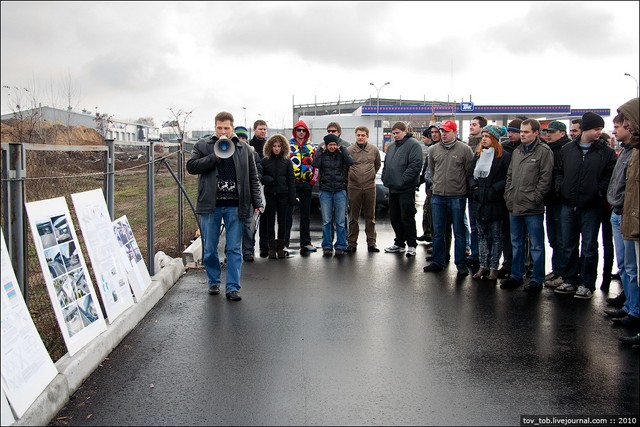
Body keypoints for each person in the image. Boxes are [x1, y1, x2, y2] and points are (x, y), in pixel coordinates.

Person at [186, 111, 262, 301]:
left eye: (226, 128)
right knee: (210, 248)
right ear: (215, 127)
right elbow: (191, 166)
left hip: (235, 206)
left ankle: (232, 287)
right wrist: (214, 157)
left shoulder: (244, 149)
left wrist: (258, 202)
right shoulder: (203, 145)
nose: (222, 131)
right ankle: (213, 282)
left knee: (234, 249)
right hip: (211, 206)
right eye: (219, 127)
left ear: (232, 128)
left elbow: (253, 177)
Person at [553, 112, 617, 300]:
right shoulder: (567, 149)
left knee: (589, 247)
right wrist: (560, 188)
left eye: (601, 129)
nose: (600, 132)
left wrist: (598, 192)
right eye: (597, 129)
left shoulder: (606, 152)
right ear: (586, 129)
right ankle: (570, 279)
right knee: (568, 245)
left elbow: (609, 176)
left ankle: (587, 283)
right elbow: (558, 171)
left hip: (591, 206)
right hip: (568, 204)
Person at [501, 119, 553, 292]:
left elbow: (545, 179)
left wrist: (536, 197)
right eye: (521, 132)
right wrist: (508, 195)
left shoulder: (544, 151)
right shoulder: (517, 151)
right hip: (514, 204)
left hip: (532, 207)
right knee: (516, 242)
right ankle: (516, 275)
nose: (522, 134)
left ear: (536, 133)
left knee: (536, 245)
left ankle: (537, 279)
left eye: (526, 132)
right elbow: (510, 176)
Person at [423, 120, 474, 276]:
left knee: (458, 231)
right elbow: (432, 168)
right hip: (438, 195)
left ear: (454, 132)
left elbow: (468, 171)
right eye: (442, 131)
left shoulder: (464, 149)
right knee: (438, 231)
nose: (443, 134)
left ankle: (461, 264)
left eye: (446, 131)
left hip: (456, 196)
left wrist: (461, 189)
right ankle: (438, 261)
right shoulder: (433, 150)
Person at [604, 113, 638, 330]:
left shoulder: (634, 152)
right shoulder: (625, 151)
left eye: (621, 126)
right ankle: (630, 304)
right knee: (625, 265)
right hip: (617, 212)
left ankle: (635, 310)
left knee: (632, 267)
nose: (616, 130)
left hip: (628, 213)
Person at [467, 125, 511, 281]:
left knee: (496, 236)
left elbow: (507, 177)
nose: (484, 139)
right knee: (482, 236)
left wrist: (494, 189)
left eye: (487, 136)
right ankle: (483, 266)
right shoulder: (478, 155)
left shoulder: (504, 156)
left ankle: (493, 267)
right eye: (483, 136)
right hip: (479, 202)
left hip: (495, 202)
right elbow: (471, 174)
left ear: (494, 138)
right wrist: (474, 187)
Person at [615, 97, 640, 337]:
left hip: (634, 219)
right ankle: (632, 309)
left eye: (626, 121)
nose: (625, 126)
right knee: (629, 268)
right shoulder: (630, 151)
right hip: (627, 218)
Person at [381, 121, 423, 257]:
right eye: (393, 133)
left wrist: (403, 180)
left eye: (398, 133)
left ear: (405, 131)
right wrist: (385, 178)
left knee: (407, 216)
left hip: (406, 188)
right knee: (395, 217)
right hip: (393, 187)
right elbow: (387, 164)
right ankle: (399, 243)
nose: (395, 135)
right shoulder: (392, 147)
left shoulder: (413, 145)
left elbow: (415, 166)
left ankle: (411, 245)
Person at [313, 133, 353, 256]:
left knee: (340, 221)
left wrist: (344, 149)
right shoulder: (322, 154)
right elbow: (315, 164)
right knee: (326, 221)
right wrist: (320, 150)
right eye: (330, 144)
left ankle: (341, 245)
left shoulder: (341, 155)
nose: (332, 147)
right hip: (325, 191)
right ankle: (327, 245)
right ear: (326, 145)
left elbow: (350, 162)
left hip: (340, 191)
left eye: (334, 144)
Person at [542, 121, 571, 288]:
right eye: (548, 132)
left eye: (552, 132)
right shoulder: (549, 148)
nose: (549, 135)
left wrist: (560, 191)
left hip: (561, 200)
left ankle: (563, 273)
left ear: (562, 133)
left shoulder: (566, 149)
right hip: (550, 199)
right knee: (553, 239)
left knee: (562, 239)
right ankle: (556, 269)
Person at [346, 126, 382, 252]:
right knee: (353, 217)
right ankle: (351, 243)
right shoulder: (349, 150)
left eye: (363, 135)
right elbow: (345, 168)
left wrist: (370, 175)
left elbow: (377, 164)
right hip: (354, 187)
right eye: (358, 135)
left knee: (370, 216)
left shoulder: (374, 150)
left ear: (367, 136)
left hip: (369, 187)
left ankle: (371, 243)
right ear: (355, 136)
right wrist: (352, 178)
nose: (360, 137)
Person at [260, 134, 296, 259]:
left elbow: (291, 180)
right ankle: (271, 248)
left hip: (283, 195)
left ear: (283, 147)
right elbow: (259, 176)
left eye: (279, 146)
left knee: (283, 222)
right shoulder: (265, 161)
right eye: (274, 146)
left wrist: (292, 197)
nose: (276, 148)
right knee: (270, 221)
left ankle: (281, 247)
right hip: (270, 194)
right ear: (270, 147)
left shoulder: (287, 162)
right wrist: (266, 179)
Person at [285, 120, 318, 254]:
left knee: (305, 214)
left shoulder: (311, 147)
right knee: (288, 214)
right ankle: (284, 242)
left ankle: (305, 242)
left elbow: (316, 165)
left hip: (306, 183)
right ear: (295, 131)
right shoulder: (287, 145)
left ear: (307, 132)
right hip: (291, 184)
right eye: (298, 130)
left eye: (303, 130)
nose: (301, 132)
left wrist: (312, 181)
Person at [497, 118, 524, 279]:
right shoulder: (504, 148)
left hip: (525, 199)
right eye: (510, 131)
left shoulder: (528, 149)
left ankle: (525, 265)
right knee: (507, 233)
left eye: (515, 131)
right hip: (506, 197)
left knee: (523, 236)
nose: (511, 134)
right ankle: (508, 264)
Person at [235, 126, 262, 262]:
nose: (241, 140)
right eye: (239, 137)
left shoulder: (253, 153)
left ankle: (248, 251)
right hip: (233, 197)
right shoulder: (228, 152)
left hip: (248, 196)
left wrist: (257, 201)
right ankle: (231, 251)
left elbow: (258, 174)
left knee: (248, 226)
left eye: (244, 138)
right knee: (233, 226)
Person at [465, 116, 488, 270]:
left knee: (484, 228)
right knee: (473, 226)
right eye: (470, 124)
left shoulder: (485, 146)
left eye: (474, 125)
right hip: (471, 192)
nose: (471, 127)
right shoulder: (469, 144)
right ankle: (475, 254)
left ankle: (485, 258)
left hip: (484, 193)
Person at [249, 119, 270, 258]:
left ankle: (264, 246)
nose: (263, 131)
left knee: (266, 217)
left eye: (264, 129)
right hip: (252, 184)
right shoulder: (249, 146)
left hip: (266, 185)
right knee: (251, 219)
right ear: (254, 129)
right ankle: (249, 247)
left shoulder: (268, 145)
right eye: (260, 129)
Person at [417, 125, 438, 243]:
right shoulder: (431, 149)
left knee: (434, 215)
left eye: (436, 132)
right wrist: (420, 181)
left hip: (436, 188)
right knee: (427, 211)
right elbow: (426, 169)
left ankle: (433, 239)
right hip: (429, 186)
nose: (433, 135)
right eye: (431, 133)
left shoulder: (435, 149)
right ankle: (428, 233)